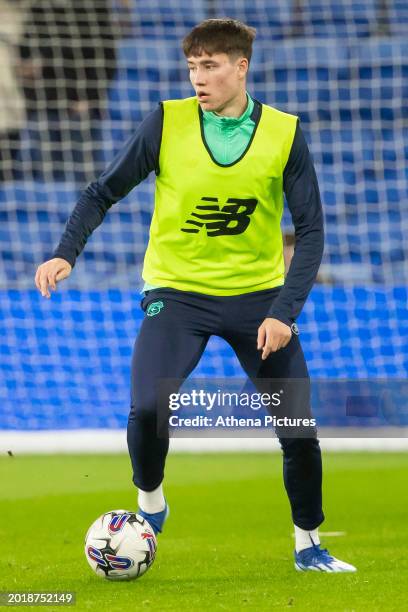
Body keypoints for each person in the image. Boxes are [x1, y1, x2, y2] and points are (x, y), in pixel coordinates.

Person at [35, 19, 356, 573]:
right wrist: (67, 251)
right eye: (192, 67)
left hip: (259, 300)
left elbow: (313, 233)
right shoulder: (167, 121)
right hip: (177, 294)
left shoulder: (284, 133)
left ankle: (310, 545)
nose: (197, 79)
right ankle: (151, 500)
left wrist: (284, 312)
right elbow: (101, 190)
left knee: (298, 430)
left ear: (240, 67)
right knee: (148, 407)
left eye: (209, 66)